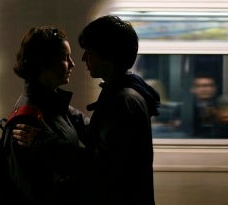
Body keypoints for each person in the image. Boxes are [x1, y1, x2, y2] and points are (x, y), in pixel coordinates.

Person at [14, 15, 160, 205]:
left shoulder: (122, 101)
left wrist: (43, 143)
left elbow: (100, 166)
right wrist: (62, 107)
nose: (82, 59)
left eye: (89, 52)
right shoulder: (128, 93)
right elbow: (101, 135)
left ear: (108, 55)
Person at [0, 26, 89, 205]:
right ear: (44, 63)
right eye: (64, 58)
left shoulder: (55, 107)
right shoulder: (27, 121)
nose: (73, 64)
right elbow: (36, 192)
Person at [190, 73, 219, 138]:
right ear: (192, 89)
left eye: (209, 86)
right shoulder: (183, 109)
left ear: (215, 88)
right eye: (199, 86)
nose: (204, 89)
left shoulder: (223, 108)